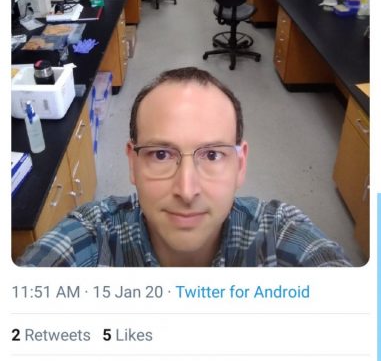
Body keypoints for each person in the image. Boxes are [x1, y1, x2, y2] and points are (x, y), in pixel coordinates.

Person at [18, 67, 351, 267]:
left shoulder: (278, 237)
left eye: (212, 155)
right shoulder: (92, 240)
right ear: (132, 163)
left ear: (240, 163)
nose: (187, 190)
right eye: (161, 154)